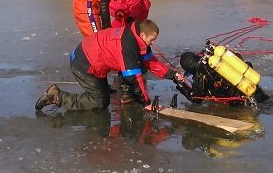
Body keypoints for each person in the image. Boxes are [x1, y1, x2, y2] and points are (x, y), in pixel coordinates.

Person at [35, 19, 184, 112]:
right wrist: (146, 103)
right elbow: (133, 77)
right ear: (143, 35)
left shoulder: (135, 37)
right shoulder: (128, 45)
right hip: (84, 64)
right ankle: (57, 96)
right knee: (100, 102)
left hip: (92, 59)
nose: (153, 43)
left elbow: (151, 62)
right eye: (152, 40)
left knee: (105, 92)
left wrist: (172, 75)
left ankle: (100, 88)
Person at [178, 50, 270, 106]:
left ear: (188, 67)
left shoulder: (200, 74)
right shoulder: (212, 59)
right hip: (252, 86)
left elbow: (196, 98)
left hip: (240, 101)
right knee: (269, 104)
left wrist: (181, 85)